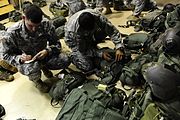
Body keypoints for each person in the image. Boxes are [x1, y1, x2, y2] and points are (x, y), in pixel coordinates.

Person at [1, 4, 71, 93]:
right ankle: (37, 81)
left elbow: (57, 44)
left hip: (44, 54)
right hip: (28, 61)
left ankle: (44, 67)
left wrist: (47, 50)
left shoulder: (46, 24)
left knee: (65, 59)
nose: (34, 29)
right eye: (30, 25)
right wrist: (20, 58)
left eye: (37, 26)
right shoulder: (12, 33)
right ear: (23, 18)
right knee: (32, 68)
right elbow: (5, 55)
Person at [64, 8, 124, 74]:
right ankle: (73, 56)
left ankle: (92, 46)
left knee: (103, 30)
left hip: (88, 35)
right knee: (87, 66)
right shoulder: (75, 32)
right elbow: (83, 50)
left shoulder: (97, 16)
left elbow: (112, 30)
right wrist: (100, 54)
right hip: (74, 42)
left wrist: (119, 47)